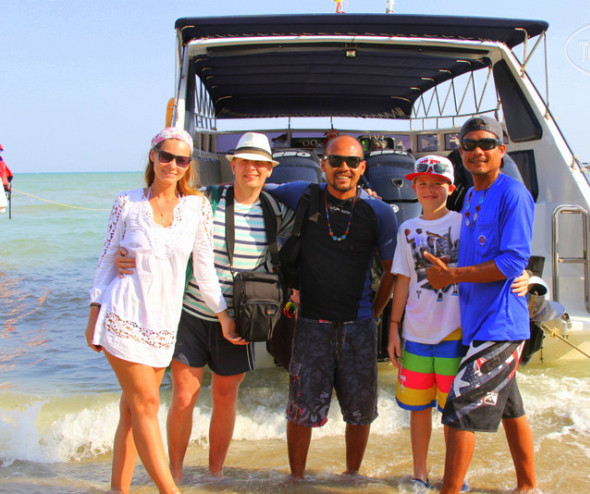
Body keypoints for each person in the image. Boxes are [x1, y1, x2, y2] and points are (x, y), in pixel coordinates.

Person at [114, 132, 293, 483]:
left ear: (270, 170)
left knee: (225, 396)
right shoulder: (202, 200)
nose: (252, 168)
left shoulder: (275, 211)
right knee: (183, 396)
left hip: (240, 318)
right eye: (245, 161)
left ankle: (215, 474)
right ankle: (175, 473)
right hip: (191, 312)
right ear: (233, 164)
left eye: (260, 163)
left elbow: (309, 226)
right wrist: (125, 253)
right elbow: (157, 221)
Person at [85, 128, 236, 494]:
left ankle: (118, 489)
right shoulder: (127, 203)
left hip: (164, 324)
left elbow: (204, 271)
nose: (173, 165)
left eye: (182, 160)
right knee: (148, 403)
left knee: (132, 411)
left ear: (189, 165)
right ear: (153, 155)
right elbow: (106, 260)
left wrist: (223, 316)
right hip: (123, 315)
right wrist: (93, 316)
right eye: (166, 156)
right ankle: (171, 491)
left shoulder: (197, 207)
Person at [388, 155, 530, 492]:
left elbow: (499, 256)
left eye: (438, 184)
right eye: (423, 183)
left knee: (454, 412)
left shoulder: (463, 223)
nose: (429, 189)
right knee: (418, 409)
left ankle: (457, 478)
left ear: (452, 189)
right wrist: (393, 326)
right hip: (415, 334)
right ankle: (420, 473)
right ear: (413, 187)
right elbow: (403, 280)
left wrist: (524, 273)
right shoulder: (405, 229)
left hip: (456, 333)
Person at [266, 134, 398, 479]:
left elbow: (391, 271)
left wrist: (375, 314)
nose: (344, 168)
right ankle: (296, 480)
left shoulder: (380, 211)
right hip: (311, 324)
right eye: (336, 160)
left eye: (352, 162)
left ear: (363, 167)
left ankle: (352, 476)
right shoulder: (302, 194)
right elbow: (255, 187)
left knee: (360, 411)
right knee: (300, 409)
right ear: (322, 164)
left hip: (360, 327)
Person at [424, 115, 539, 494]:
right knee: (511, 409)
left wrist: (452, 275)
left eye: (486, 144)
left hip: (500, 324)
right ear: (460, 152)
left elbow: (512, 262)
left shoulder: (513, 194)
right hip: (477, 323)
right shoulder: (472, 195)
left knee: (458, 410)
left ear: (501, 150)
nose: (478, 151)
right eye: (469, 145)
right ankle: (528, 487)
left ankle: (450, 490)